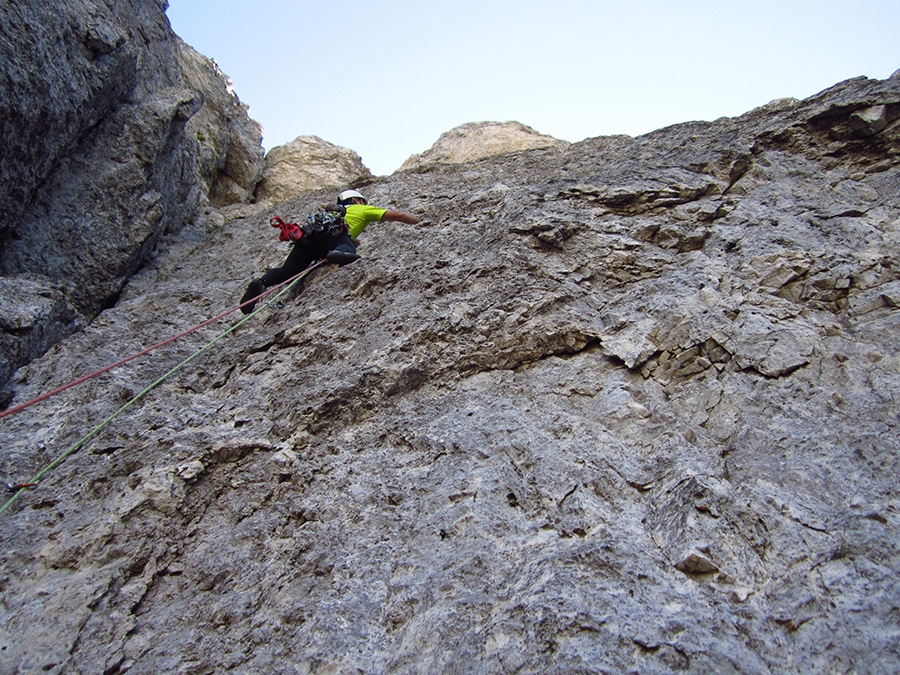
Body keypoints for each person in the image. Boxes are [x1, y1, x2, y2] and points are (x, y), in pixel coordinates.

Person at [240, 189, 420, 314]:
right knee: (346, 243)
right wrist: (418, 220)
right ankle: (339, 253)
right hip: (333, 238)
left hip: (309, 240)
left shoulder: (333, 214)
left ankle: (262, 283)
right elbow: (398, 215)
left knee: (287, 271)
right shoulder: (360, 208)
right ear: (357, 200)